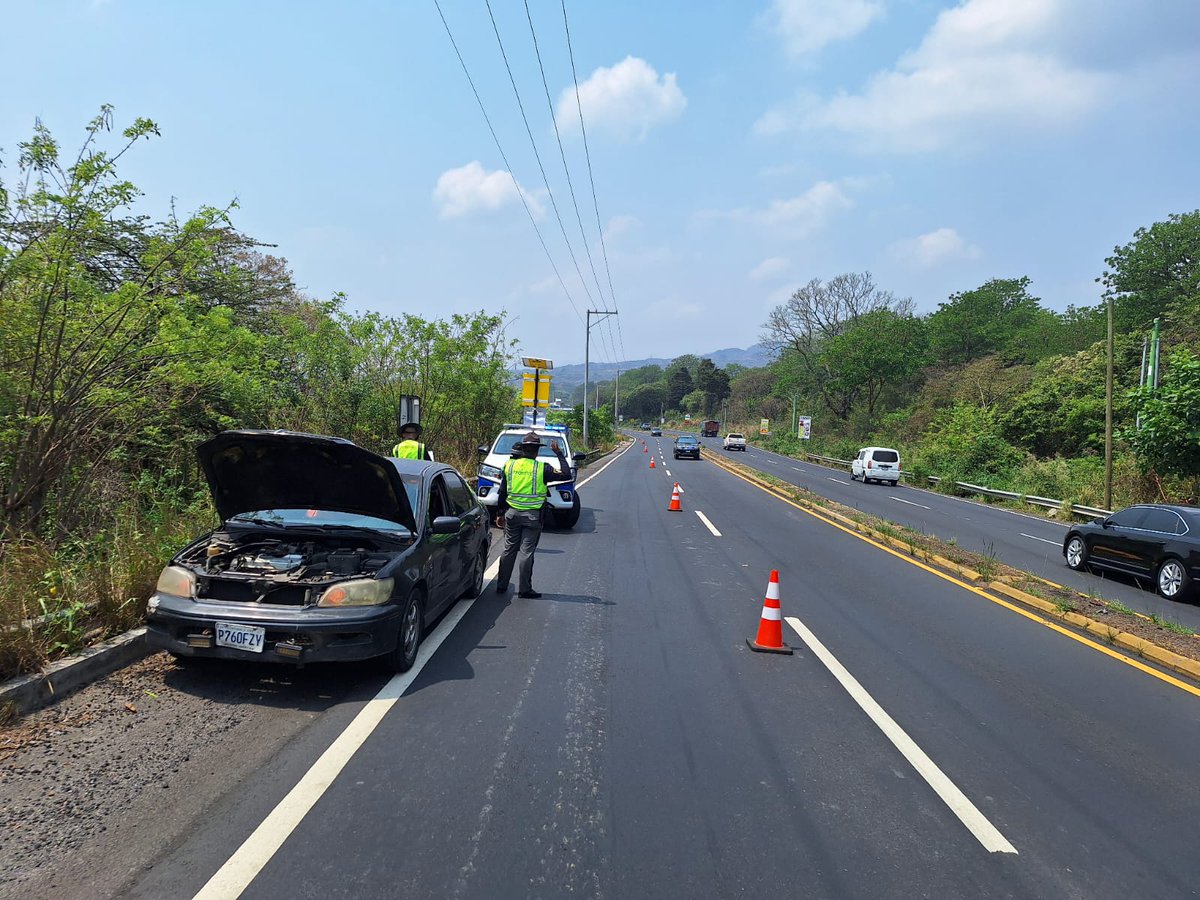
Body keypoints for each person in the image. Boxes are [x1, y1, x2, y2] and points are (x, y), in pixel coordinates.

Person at [494, 431, 571, 598]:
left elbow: (502, 492)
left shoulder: (510, 466)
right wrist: (558, 453)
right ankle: (525, 589)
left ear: (522, 449)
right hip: (532, 516)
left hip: (512, 514)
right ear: (537, 451)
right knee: (526, 552)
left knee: (508, 550)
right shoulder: (542, 468)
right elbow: (567, 474)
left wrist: (500, 514)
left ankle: (501, 585)